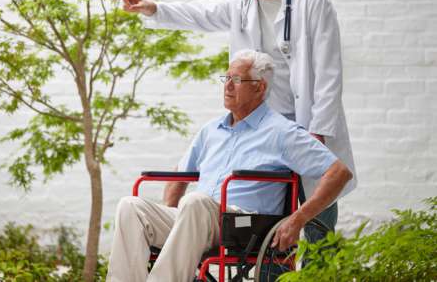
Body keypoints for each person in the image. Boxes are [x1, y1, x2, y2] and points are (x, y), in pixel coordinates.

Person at [115, 0, 356, 242]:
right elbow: (199, 12)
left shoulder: (312, 1)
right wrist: (152, 8)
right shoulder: (240, 5)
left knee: (318, 227)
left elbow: (328, 75)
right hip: (263, 127)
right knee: (271, 229)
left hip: (306, 126)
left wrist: (318, 134)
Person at [106, 50, 353, 282]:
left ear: (259, 87)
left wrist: (298, 219)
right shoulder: (211, 130)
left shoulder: (281, 132)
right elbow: (180, 175)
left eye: (236, 79)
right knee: (131, 207)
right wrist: (171, 224)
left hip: (243, 224)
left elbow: (339, 173)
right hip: (195, 217)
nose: (227, 85)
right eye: (226, 77)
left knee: (195, 202)